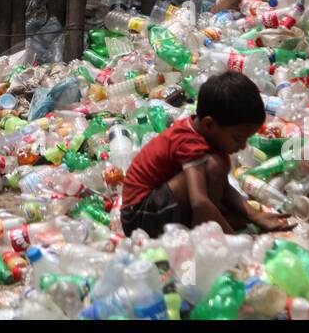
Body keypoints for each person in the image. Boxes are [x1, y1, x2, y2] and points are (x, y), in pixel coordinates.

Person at [119, 71, 290, 238]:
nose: (243, 146)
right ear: (209, 124)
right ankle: (202, 233)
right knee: (215, 166)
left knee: (239, 216)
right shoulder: (189, 141)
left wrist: (256, 216)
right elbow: (199, 201)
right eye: (238, 139)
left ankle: (203, 227)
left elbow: (224, 188)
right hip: (138, 217)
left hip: (158, 206)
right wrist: (233, 243)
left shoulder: (204, 133)